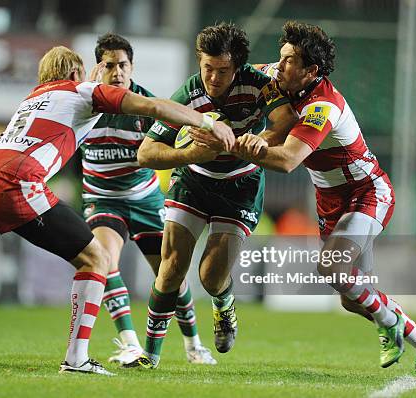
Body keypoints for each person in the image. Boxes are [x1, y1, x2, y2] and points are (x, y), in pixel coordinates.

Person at [0, 46, 234, 376]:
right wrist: (206, 122)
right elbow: (154, 106)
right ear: (77, 74)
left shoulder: (32, 97)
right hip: (15, 181)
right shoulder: (83, 91)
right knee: (97, 259)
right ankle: (76, 360)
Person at [201, 21, 416, 380]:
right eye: (281, 57)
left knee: (332, 270)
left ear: (310, 71)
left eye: (288, 61)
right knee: (351, 295)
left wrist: (236, 144)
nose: (278, 66)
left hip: (366, 192)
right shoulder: (277, 75)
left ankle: (393, 323)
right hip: (330, 200)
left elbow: (286, 161)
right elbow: (237, 74)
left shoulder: (323, 107)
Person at [125, 22, 298, 368]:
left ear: (238, 67)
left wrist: (261, 140)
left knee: (210, 276)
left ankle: (223, 304)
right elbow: (145, 154)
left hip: (240, 186)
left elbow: (285, 121)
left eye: (222, 70)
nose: (213, 78)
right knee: (171, 268)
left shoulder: (260, 85)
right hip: (193, 181)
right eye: (207, 68)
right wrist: (190, 155)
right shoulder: (188, 96)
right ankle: (150, 355)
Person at [80, 33, 215, 365]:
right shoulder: (82, 103)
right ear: (100, 68)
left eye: (122, 65)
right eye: (109, 65)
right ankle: (129, 343)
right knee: (103, 259)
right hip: (102, 199)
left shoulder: (147, 105)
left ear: (132, 66)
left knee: (170, 275)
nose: (117, 72)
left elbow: (169, 150)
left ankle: (193, 344)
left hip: (144, 198)